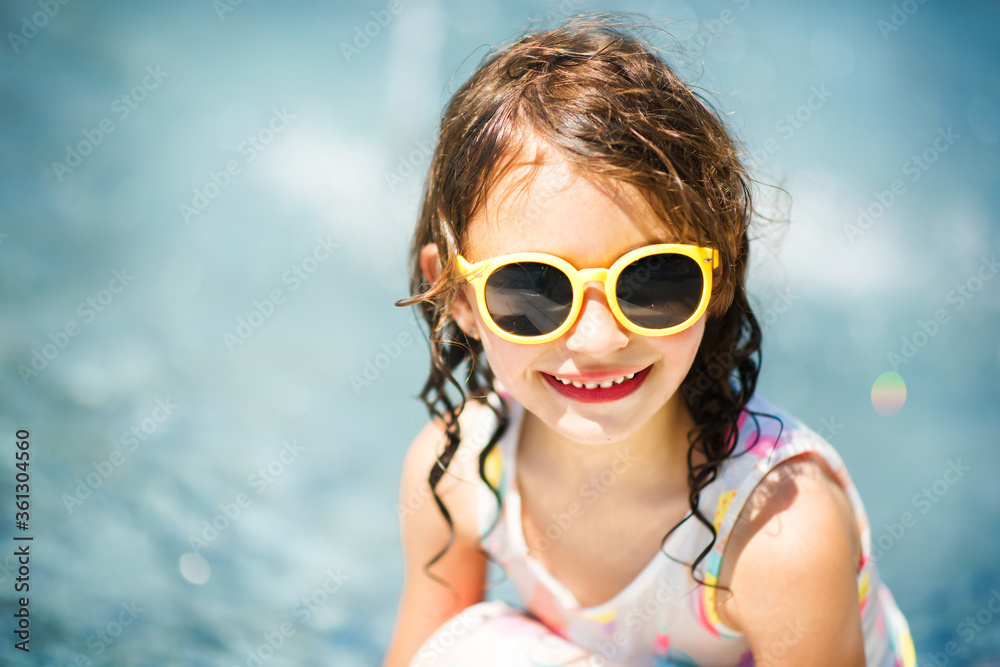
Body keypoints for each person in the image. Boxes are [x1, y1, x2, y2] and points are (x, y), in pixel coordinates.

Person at [383, 13, 916, 667]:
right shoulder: (460, 470)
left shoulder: (776, 528)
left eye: (653, 281)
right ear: (458, 296)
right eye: (533, 291)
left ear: (720, 272)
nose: (600, 337)